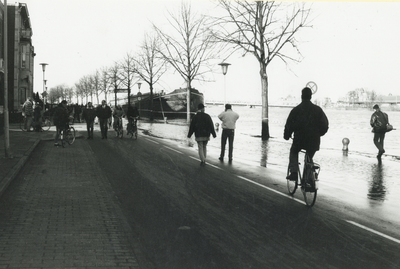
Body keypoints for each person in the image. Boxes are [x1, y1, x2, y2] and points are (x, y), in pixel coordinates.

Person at [284, 87, 329, 181]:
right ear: (311, 97)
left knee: (294, 151)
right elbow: (325, 125)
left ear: (301, 96)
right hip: (314, 140)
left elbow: (289, 125)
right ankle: (309, 177)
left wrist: (287, 135)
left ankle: (294, 173)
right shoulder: (318, 110)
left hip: (299, 140)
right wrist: (319, 134)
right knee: (309, 156)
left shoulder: (296, 110)